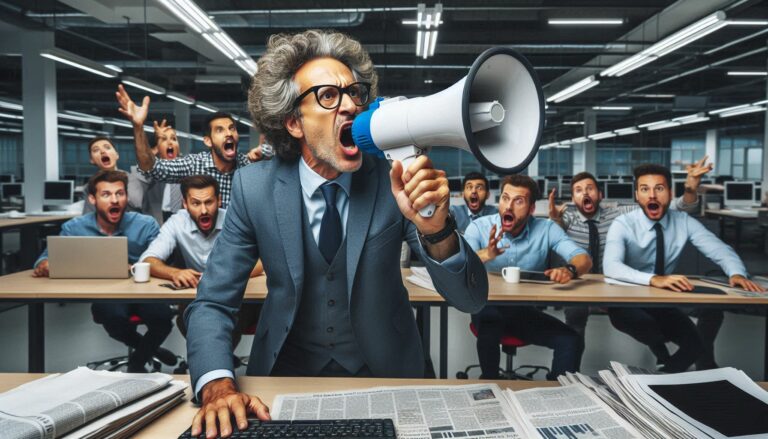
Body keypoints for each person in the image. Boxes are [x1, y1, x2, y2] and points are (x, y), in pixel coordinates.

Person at [185, 29, 488, 438]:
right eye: (329, 96)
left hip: (387, 375)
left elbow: (469, 299)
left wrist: (436, 230)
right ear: (293, 122)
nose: (350, 106)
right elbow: (212, 303)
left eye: (355, 93)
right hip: (282, 380)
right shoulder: (253, 188)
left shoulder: (392, 180)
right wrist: (217, 384)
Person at [603, 164, 764, 372]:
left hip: (663, 299)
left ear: (670, 193)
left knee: (696, 346)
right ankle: (659, 352)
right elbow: (611, 266)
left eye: (659, 188)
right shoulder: (623, 223)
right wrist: (654, 279)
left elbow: (719, 249)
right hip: (628, 299)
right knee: (651, 330)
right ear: (636, 195)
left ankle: (664, 379)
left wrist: (737, 272)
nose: (652, 195)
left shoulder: (683, 221)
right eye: (645, 189)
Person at [548, 158, 709, 339]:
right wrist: (556, 220)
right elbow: (555, 237)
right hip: (579, 283)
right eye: (578, 190)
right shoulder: (567, 218)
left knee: (644, 317)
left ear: (600, 195)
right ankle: (571, 366)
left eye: (590, 188)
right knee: (575, 323)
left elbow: (677, 206)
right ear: (572, 199)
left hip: (616, 281)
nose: (585, 193)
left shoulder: (619, 213)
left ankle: (661, 354)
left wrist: (690, 189)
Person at [33, 170, 175, 372]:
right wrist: (45, 264)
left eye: (120, 193)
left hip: (144, 290)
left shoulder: (145, 225)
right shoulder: (75, 228)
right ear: (92, 198)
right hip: (107, 292)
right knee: (110, 315)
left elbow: (162, 260)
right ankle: (150, 351)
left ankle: (137, 361)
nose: (115, 200)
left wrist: (137, 268)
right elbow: (45, 259)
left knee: (162, 318)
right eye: (106, 194)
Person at [463, 174, 592, 381]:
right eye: (505, 198)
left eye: (519, 201)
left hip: (521, 312)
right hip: (486, 308)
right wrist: (487, 254)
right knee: (490, 326)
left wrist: (569, 270)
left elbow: (583, 258)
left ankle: (558, 393)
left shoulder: (546, 229)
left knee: (570, 340)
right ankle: (490, 386)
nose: (509, 207)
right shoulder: (479, 227)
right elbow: (460, 264)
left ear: (532, 208)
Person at [138, 175, 263, 349]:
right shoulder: (177, 222)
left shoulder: (233, 220)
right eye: (196, 203)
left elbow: (260, 262)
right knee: (190, 319)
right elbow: (148, 259)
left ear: (219, 201)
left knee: (226, 321)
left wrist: (225, 276)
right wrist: (175, 272)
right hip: (195, 297)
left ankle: (215, 363)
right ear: (185, 203)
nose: (203, 211)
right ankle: (210, 364)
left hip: (233, 295)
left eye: (209, 202)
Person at [115, 85, 268, 208]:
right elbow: (151, 168)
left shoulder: (248, 166)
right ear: (208, 141)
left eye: (232, 128)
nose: (228, 133)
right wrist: (138, 126)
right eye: (220, 130)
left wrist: (265, 156)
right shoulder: (194, 164)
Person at [128, 119, 183, 223]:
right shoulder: (151, 172)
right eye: (163, 139)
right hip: (157, 224)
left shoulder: (188, 168)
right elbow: (140, 176)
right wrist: (151, 153)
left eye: (174, 139)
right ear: (156, 148)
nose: (170, 142)